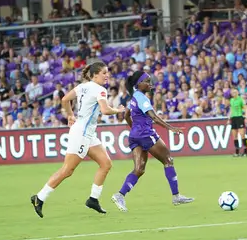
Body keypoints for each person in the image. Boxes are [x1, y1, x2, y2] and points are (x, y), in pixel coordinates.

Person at [30, 61, 125, 217]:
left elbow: (65, 99)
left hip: (87, 132)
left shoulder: (83, 86)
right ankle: (39, 198)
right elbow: (105, 110)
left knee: (106, 163)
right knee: (67, 170)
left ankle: (93, 199)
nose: (107, 75)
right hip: (82, 134)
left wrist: (70, 115)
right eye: (104, 73)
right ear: (95, 75)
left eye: (107, 72)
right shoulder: (100, 90)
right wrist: (118, 110)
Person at [111, 71, 194, 212]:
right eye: (147, 81)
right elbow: (154, 117)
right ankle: (176, 196)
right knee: (168, 160)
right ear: (139, 84)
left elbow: (126, 114)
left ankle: (120, 195)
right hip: (145, 134)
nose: (150, 84)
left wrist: (134, 129)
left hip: (134, 136)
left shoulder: (133, 97)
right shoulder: (142, 98)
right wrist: (171, 128)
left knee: (139, 169)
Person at [228, 89, 247, 157]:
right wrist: (229, 118)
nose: (233, 93)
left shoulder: (240, 99)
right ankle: (237, 152)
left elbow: (245, 108)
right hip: (233, 118)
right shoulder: (231, 100)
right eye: (232, 92)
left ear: (237, 93)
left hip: (239, 117)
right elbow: (231, 109)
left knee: (242, 135)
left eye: (235, 92)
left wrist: (246, 118)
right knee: (234, 136)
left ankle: (245, 151)